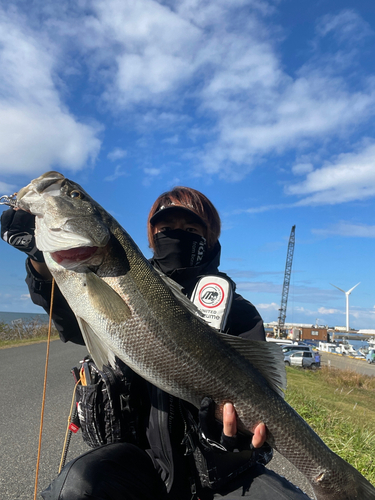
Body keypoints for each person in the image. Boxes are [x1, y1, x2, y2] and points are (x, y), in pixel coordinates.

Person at [1, 187, 311, 500]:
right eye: (166, 229)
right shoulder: (120, 276)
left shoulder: (239, 311)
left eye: (191, 229)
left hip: (221, 474)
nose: (178, 235)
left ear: (211, 238)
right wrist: (39, 260)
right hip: (138, 464)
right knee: (78, 486)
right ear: (150, 236)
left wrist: (233, 438)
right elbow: (72, 321)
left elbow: (261, 393)